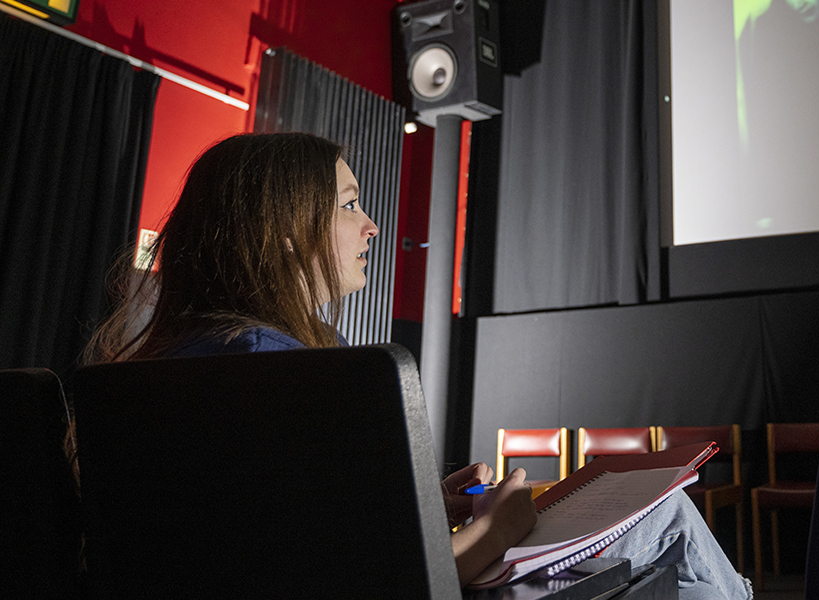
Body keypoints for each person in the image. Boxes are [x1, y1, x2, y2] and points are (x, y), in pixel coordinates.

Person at [85, 132, 751, 598]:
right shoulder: (277, 372)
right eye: (348, 204)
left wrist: (417, 505)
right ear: (284, 229)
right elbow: (362, 583)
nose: (372, 225)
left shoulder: (163, 368)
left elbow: (267, 547)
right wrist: (496, 530)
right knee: (666, 522)